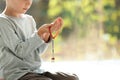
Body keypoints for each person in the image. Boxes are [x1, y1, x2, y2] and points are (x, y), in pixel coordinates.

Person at [0, 0, 79, 80]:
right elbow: (20, 51)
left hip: (36, 71)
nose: (28, 3)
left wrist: (46, 35)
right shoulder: (3, 21)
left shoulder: (29, 20)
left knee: (72, 78)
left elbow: (37, 51)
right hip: (16, 74)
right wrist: (38, 34)